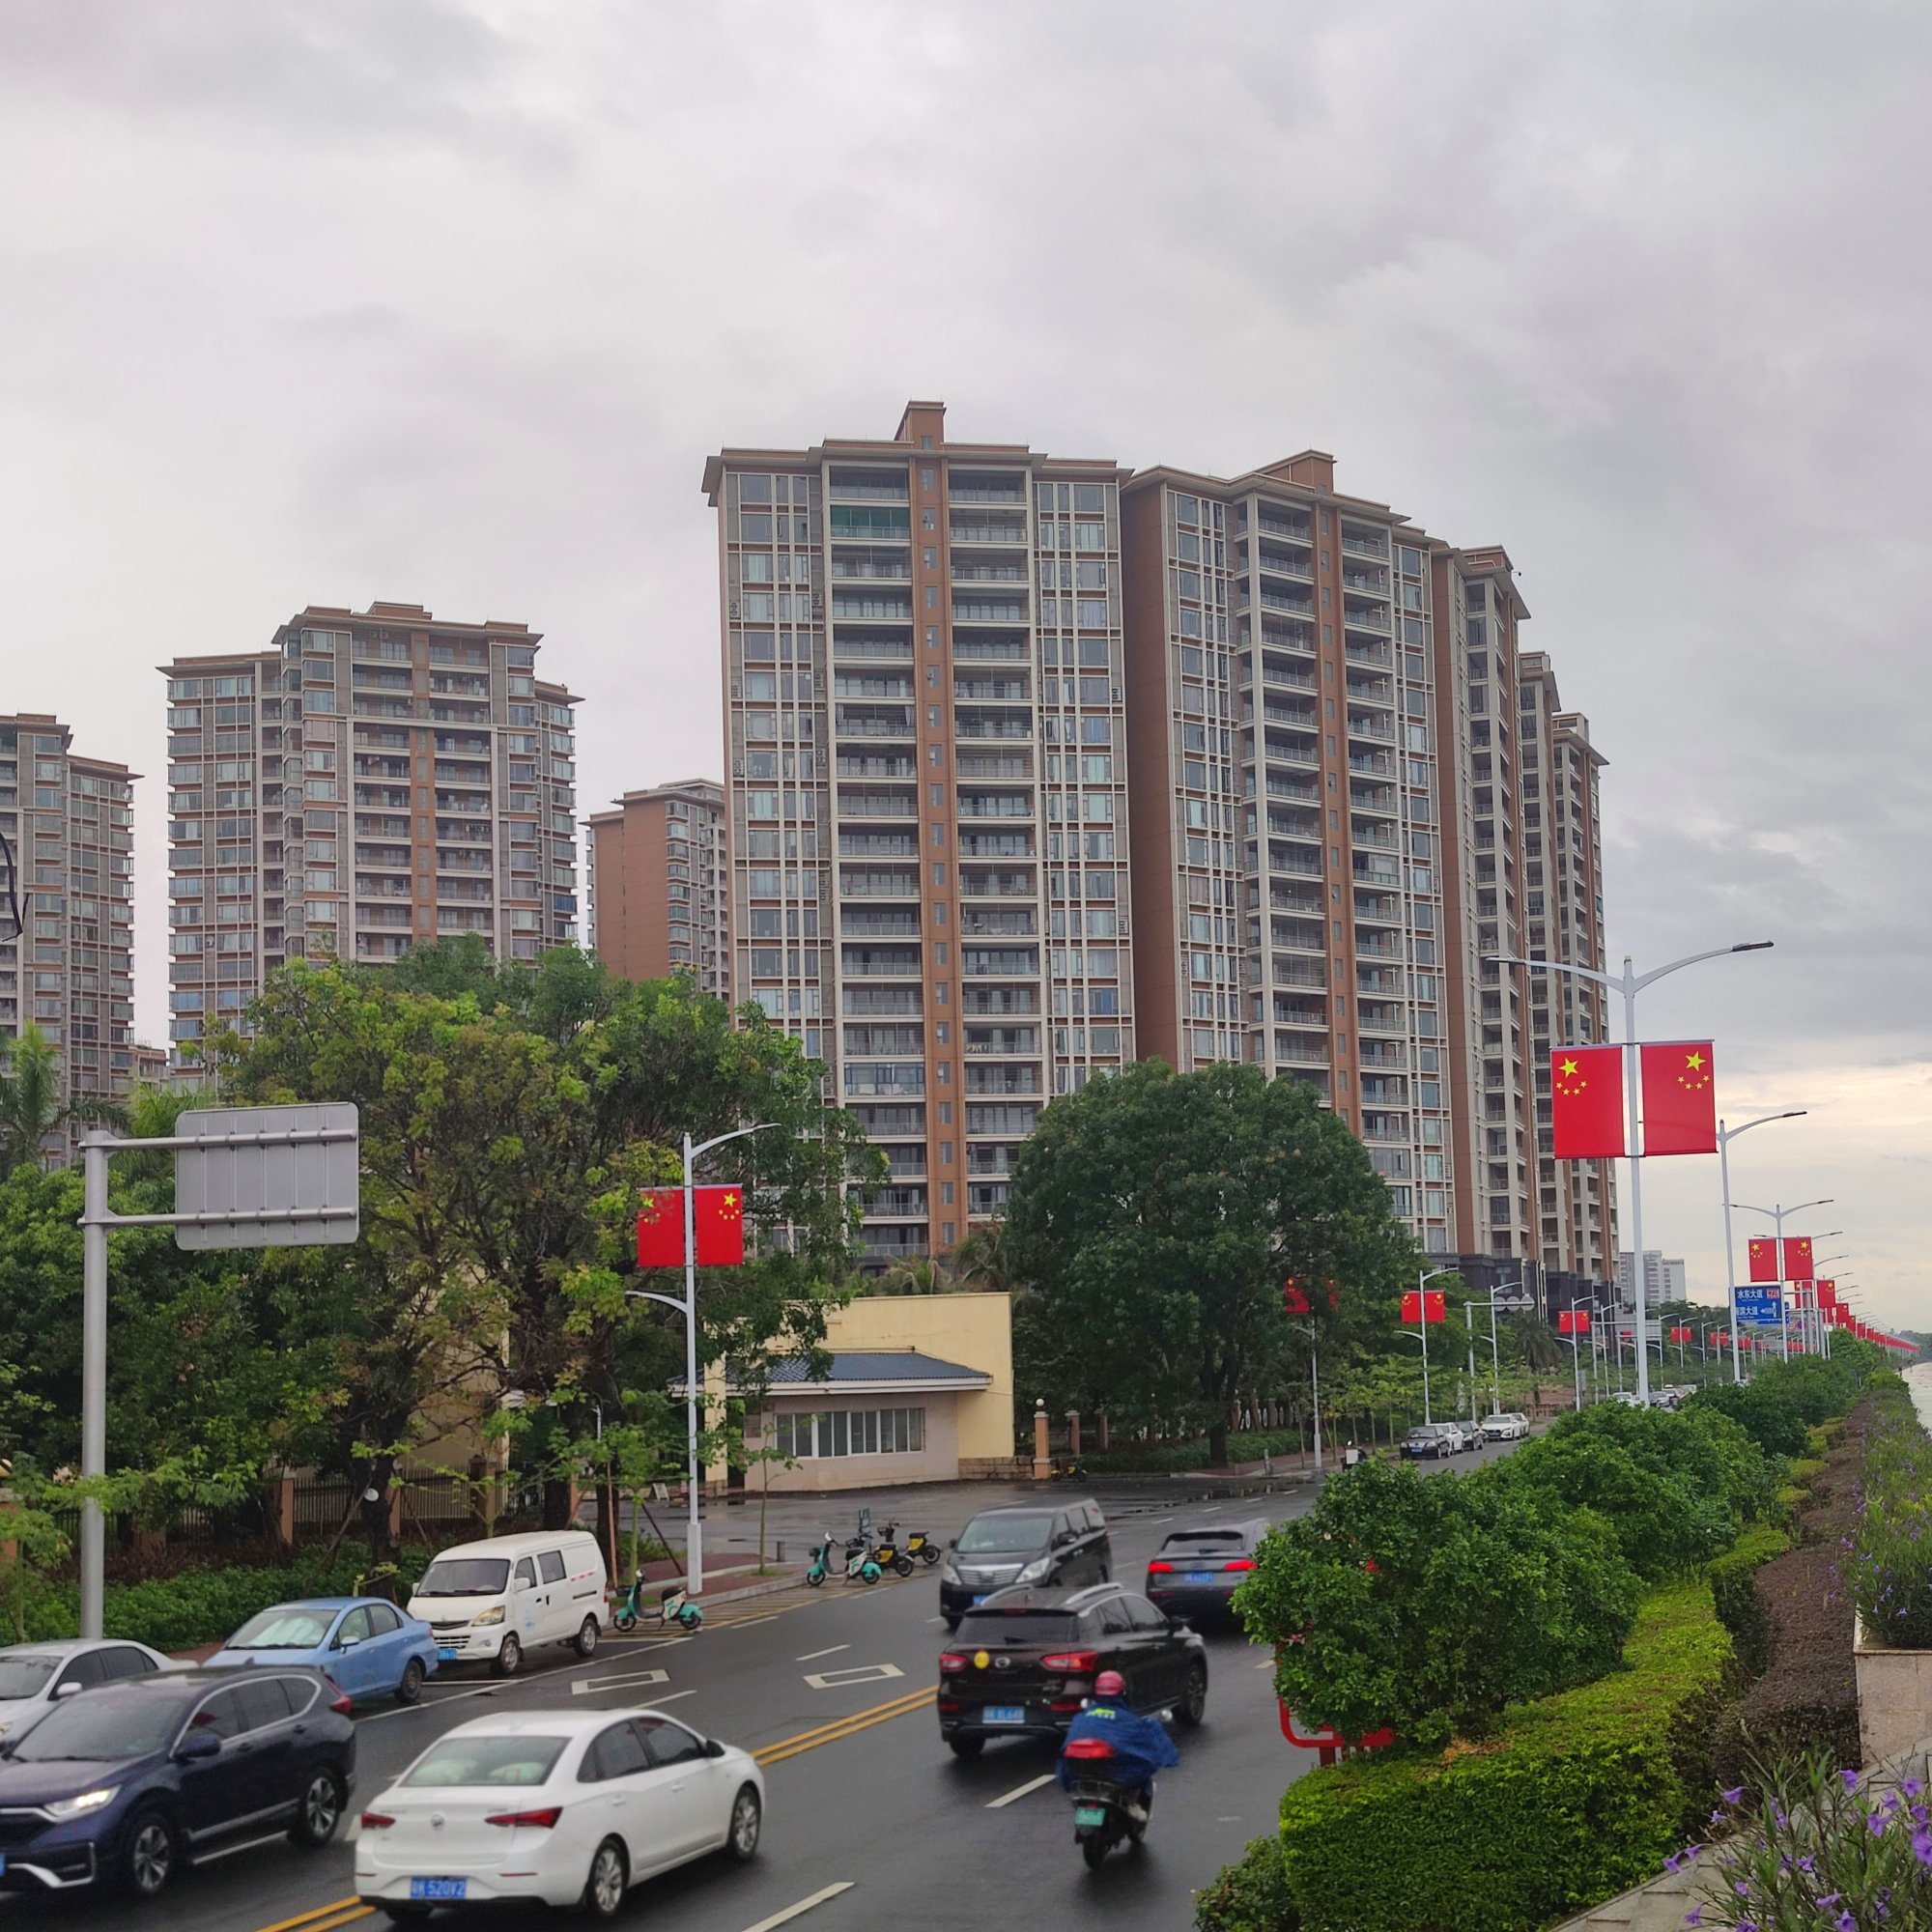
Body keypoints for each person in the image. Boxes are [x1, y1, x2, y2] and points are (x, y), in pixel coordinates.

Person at [1056, 1670, 1179, 1823]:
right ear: (1122, 1692)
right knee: (1143, 1765)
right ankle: (1132, 1803)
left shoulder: (1082, 1718)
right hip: (1114, 1774)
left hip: (1079, 1775)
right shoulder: (1128, 1720)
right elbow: (1145, 1747)